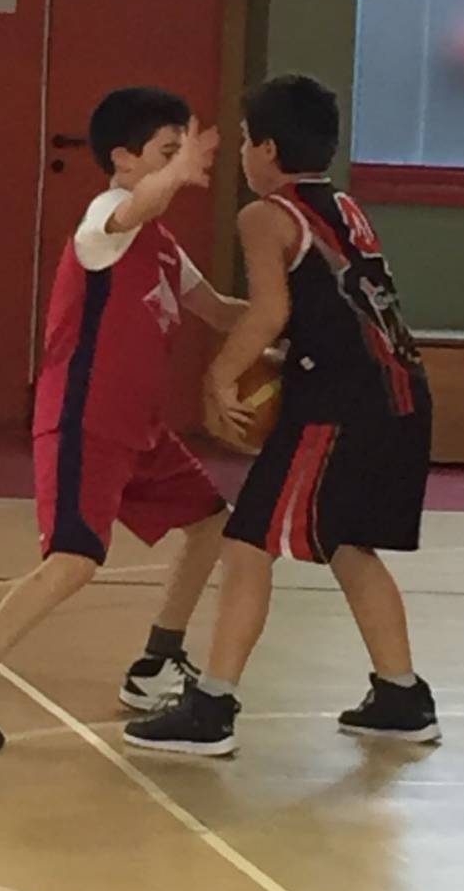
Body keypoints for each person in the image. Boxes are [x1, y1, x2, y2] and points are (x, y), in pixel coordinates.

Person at [0, 87, 245, 749]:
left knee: (211, 523)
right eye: (168, 152)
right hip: (84, 420)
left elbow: (218, 309)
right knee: (73, 560)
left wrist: (294, 323)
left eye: (183, 153)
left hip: (140, 430)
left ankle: (156, 663)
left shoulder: (163, 245)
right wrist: (175, 176)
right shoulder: (105, 217)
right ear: (123, 159)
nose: (182, 166)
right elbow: (134, 210)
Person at [125, 74, 439, 756]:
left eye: (243, 139)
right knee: (348, 542)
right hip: (403, 392)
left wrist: (219, 373)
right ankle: (402, 694)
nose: (241, 152)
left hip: (340, 403)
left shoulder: (265, 215)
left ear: (266, 148)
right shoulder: (345, 207)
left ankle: (211, 706)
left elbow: (272, 309)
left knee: (247, 544)